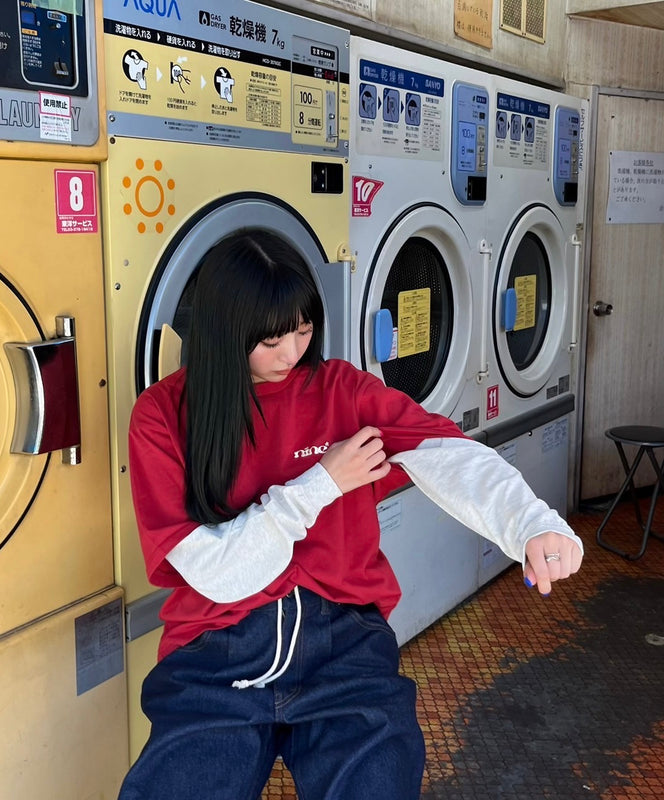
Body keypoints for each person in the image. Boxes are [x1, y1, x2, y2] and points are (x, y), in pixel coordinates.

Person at [118, 230, 583, 800]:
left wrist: (530, 522)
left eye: (303, 329)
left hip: (345, 646)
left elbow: (446, 454)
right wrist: (321, 484)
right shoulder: (163, 416)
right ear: (222, 332)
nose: (291, 353)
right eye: (270, 340)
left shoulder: (342, 389)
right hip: (217, 654)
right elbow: (217, 573)